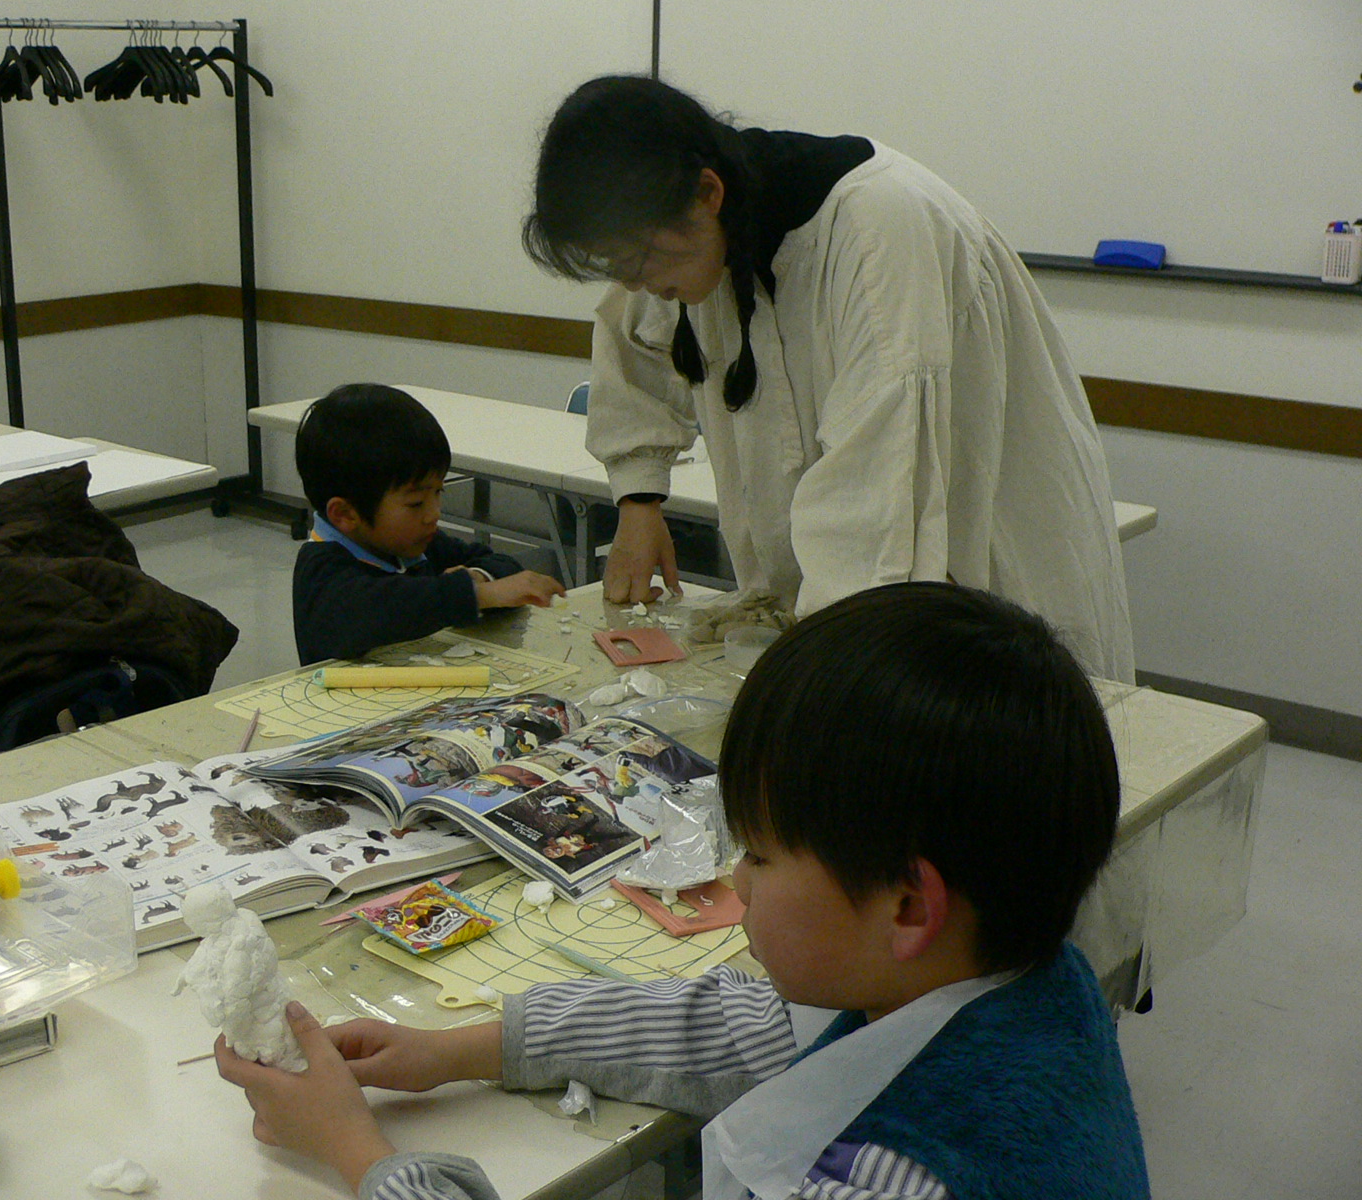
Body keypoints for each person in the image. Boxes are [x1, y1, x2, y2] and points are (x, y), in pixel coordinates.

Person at [216, 582, 1150, 1199]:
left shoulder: (895, 1179)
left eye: (762, 857)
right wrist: (458, 1048)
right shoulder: (1006, 976)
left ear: (908, 906)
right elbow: (738, 1027)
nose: (736, 879)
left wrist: (356, 1153)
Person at [523, 75, 1134, 683]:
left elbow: (874, 500)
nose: (635, 284)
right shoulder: (702, 231)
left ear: (707, 192)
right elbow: (631, 341)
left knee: (996, 711)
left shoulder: (877, 230)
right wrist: (639, 500)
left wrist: (816, 672)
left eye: (636, 260)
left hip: (983, 573)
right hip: (847, 605)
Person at [291, 384, 565, 663]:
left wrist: (479, 578)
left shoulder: (415, 543)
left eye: (438, 492)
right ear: (345, 514)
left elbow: (501, 564)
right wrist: (476, 595)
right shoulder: (321, 571)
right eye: (416, 503)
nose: (434, 513)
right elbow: (383, 609)